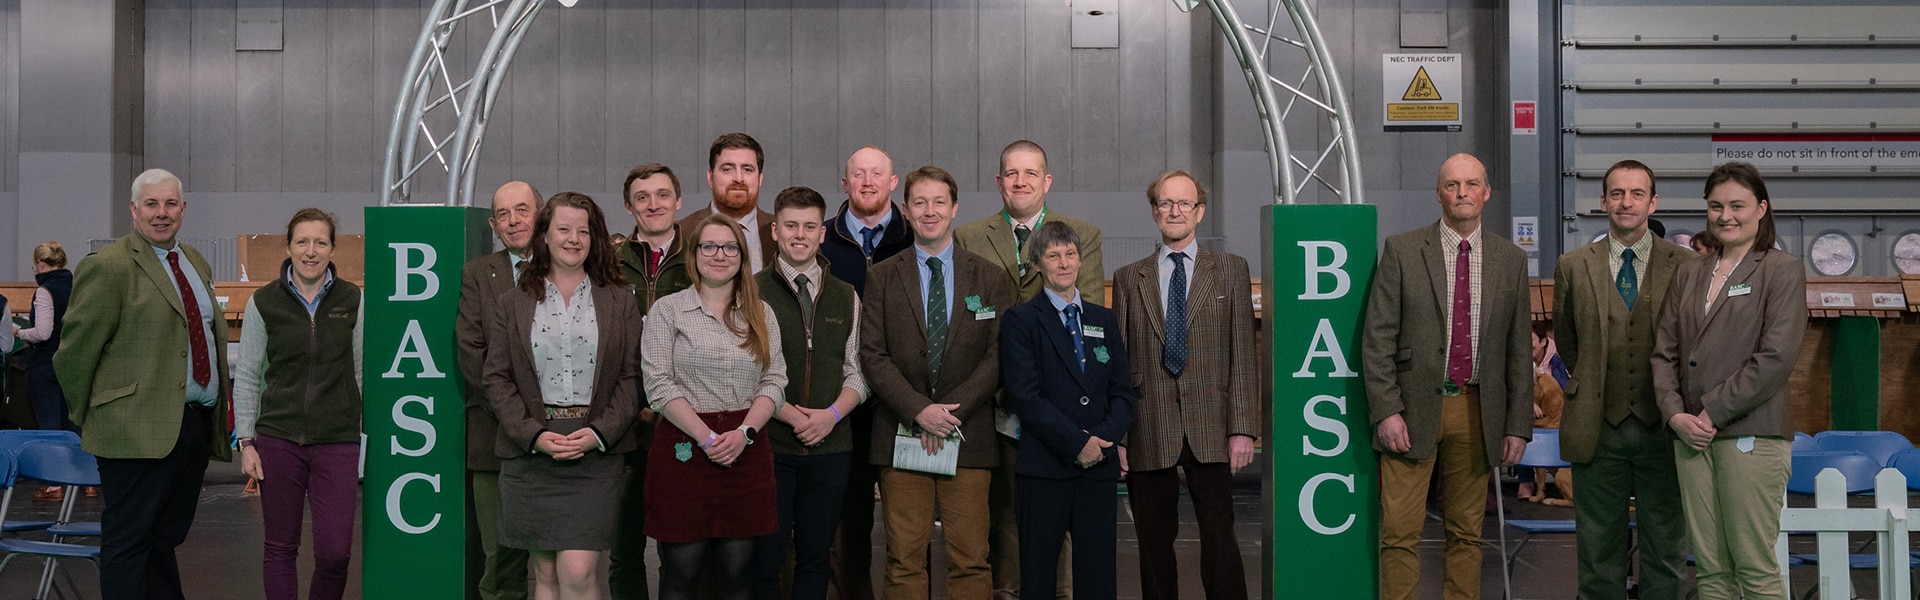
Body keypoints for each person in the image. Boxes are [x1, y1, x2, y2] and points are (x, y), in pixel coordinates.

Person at [55, 168, 234, 599]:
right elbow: (74, 356)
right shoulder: (109, 267)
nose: (161, 213)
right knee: (128, 544)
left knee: (163, 540)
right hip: (130, 433)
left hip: (190, 427)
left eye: (170, 204)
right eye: (151, 204)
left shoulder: (194, 261)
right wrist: (100, 416)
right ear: (133, 210)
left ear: (183, 209)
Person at [1360, 153, 1532, 600]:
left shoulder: (1510, 260)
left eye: (1471, 184)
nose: (1462, 193)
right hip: (1411, 411)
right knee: (1398, 533)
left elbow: (1518, 351)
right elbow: (1377, 338)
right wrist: (1387, 410)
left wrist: (1517, 424)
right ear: (1438, 193)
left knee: (1467, 535)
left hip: (1478, 411)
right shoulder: (1401, 250)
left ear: (1486, 192)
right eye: (1453, 185)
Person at [953, 140, 1101, 600]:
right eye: (1011, 174)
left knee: (1058, 518)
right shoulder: (969, 237)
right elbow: (968, 315)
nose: (1020, 182)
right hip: (990, 401)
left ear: (1047, 181)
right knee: (1002, 515)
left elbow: (1088, 313)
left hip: (1059, 405)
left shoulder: (1083, 234)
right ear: (998, 182)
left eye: (1030, 173)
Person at [1652, 161, 1806, 600]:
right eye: (1716, 206)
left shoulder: (1781, 270)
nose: (1726, 216)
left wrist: (1709, 411)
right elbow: (1664, 354)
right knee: (1712, 573)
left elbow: (1776, 358)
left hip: (1751, 435)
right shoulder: (1689, 272)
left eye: (1737, 205)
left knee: (1755, 569)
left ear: (1761, 208)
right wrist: (1676, 414)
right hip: (1690, 437)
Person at [483, 192, 644, 600]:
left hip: (595, 450)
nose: (573, 239)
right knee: (546, 572)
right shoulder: (512, 302)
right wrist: (533, 435)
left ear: (596, 238)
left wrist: (599, 433)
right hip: (533, 451)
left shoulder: (619, 299)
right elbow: (497, 379)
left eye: (583, 231)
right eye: (563, 229)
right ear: (545, 235)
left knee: (578, 569)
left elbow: (632, 377)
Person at [862, 166, 1012, 600]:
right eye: (920, 203)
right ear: (905, 210)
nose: (930, 212)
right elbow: (872, 354)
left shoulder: (988, 277)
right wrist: (918, 411)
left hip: (968, 436)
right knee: (904, 560)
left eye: (939, 202)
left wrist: (949, 413)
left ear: (955, 209)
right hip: (901, 432)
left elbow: (997, 356)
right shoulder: (882, 276)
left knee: (971, 560)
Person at [1109, 170, 1256, 600]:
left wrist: (1242, 427)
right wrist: (1118, 434)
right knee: (1153, 544)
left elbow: (1242, 352)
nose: (1175, 211)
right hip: (1147, 425)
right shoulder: (1127, 278)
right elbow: (1118, 364)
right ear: (1155, 212)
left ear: (1200, 211)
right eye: (1166, 203)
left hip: (1212, 425)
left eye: (1184, 203)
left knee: (1220, 537)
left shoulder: (1230, 270)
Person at [1551, 159, 1692, 599]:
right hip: (1597, 428)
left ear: (1653, 201)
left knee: (1666, 552)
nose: (1625, 202)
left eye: (1636, 194)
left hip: (1665, 430)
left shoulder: (1686, 265)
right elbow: (1568, 341)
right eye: (1616, 193)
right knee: (1597, 554)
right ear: (1602, 201)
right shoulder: (1573, 265)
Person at [642, 213, 787, 600]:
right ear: (694, 254)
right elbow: (658, 385)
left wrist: (744, 434)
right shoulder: (668, 311)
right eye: (709, 246)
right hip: (685, 450)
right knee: (681, 575)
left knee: (738, 576)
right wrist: (707, 438)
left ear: (742, 256)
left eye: (729, 247)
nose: (719, 255)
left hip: (746, 451)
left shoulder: (761, 313)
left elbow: (774, 382)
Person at [232, 208, 365, 600]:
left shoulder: (353, 300)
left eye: (320, 242)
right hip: (278, 441)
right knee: (280, 549)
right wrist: (247, 441)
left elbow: (360, 372)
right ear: (288, 247)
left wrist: (359, 431)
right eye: (302, 242)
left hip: (337, 442)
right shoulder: (263, 302)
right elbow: (248, 376)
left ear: (333, 248)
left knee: (335, 554)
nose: (311, 251)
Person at [1000, 221, 1135, 599]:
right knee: (1039, 579)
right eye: (1054, 255)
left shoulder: (1103, 320)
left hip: (1098, 469)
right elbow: (1025, 397)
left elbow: (1122, 392)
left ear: (1080, 259)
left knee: (1098, 577)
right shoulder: (1021, 320)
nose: (1064, 263)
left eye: (1070, 254)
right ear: (1038, 263)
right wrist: (1077, 443)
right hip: (1045, 469)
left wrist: (1105, 437)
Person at [750, 186, 870, 600]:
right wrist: (788, 415)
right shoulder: (750, 291)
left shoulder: (847, 295)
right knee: (765, 559)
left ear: (822, 233)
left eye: (809, 226)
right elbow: (743, 372)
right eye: (790, 226)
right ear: (774, 231)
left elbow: (858, 372)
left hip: (831, 448)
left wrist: (830, 416)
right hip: (770, 446)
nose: (799, 235)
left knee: (816, 559)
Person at [819, 145, 914, 600]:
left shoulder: (917, 237)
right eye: (859, 174)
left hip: (905, 406)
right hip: (843, 407)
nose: (868, 181)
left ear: (893, 183)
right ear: (845, 184)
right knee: (845, 532)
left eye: (878, 173)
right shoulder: (820, 241)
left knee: (909, 534)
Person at [609, 163, 694, 600]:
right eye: (643, 197)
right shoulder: (607, 262)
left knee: (679, 546)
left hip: (682, 421)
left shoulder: (702, 256)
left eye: (663, 195)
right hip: (621, 421)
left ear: (678, 201)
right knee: (623, 548)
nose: (653, 204)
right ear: (629, 205)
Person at [457, 180, 541, 600]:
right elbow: (471, 350)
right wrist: (513, 413)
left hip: (559, 433)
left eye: (523, 210)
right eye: (504, 215)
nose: (514, 221)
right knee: (499, 557)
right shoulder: (477, 273)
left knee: (552, 555)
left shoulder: (567, 266)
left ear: (541, 214)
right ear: (493, 224)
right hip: (492, 434)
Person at [679, 133, 777, 273]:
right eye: (727, 169)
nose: (738, 178)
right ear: (710, 178)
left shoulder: (784, 233)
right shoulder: (682, 232)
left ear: (760, 179)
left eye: (747, 169)